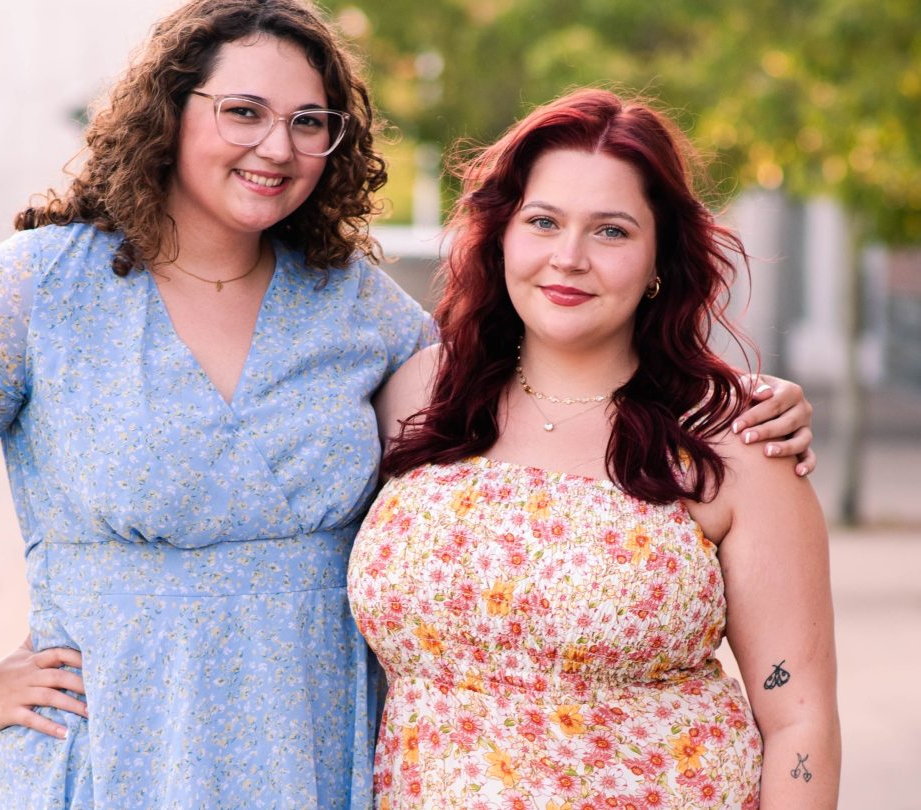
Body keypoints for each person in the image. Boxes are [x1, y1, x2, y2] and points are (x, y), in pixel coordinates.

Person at [0, 2, 819, 807]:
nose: (274, 146)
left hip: (324, 753)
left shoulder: (356, 307)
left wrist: (739, 405)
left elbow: (542, 375)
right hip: (130, 748)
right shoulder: (44, 289)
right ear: (168, 112)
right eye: (242, 111)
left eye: (307, 122)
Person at [350, 88, 840, 808]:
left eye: (611, 232)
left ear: (660, 259)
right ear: (502, 235)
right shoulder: (419, 394)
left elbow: (800, 719)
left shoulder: (735, 439)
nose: (568, 258)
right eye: (543, 221)